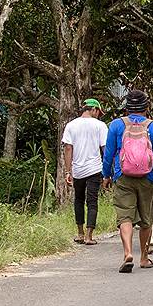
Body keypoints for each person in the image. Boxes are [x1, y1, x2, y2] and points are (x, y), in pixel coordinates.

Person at [102, 90, 153, 273]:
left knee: (125, 216)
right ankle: (144, 258)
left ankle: (127, 253)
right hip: (147, 178)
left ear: (127, 107)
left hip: (122, 177)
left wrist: (106, 175)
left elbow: (108, 154)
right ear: (147, 108)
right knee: (146, 219)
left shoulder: (116, 125)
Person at [62, 98, 109, 245]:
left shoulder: (71, 125)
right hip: (95, 168)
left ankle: (80, 233)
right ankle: (89, 236)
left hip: (77, 169)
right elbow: (105, 149)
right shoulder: (100, 126)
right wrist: (108, 171)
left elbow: (68, 148)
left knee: (79, 200)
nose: (98, 115)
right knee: (92, 201)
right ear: (93, 110)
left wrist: (68, 171)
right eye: (98, 112)